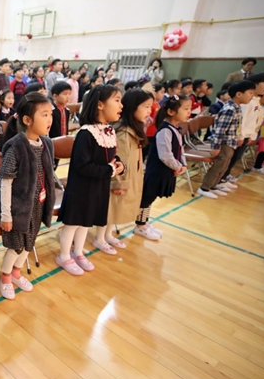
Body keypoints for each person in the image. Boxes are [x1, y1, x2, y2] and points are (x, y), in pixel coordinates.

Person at [0, 93, 55, 299]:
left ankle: (16, 273)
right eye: (44, 114)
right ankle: (6, 277)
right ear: (27, 120)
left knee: (29, 243)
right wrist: (6, 215)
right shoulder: (16, 146)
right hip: (16, 208)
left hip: (37, 204)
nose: (49, 119)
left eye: (50, 114)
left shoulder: (45, 143)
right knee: (15, 246)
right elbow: (6, 183)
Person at [56, 85, 125, 275]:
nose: (121, 105)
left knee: (86, 221)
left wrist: (118, 164)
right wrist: (109, 169)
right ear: (100, 105)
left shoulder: (108, 130)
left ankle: (77, 252)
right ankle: (63, 255)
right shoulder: (86, 133)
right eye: (117, 100)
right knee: (73, 223)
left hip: (98, 186)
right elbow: (82, 165)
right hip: (81, 188)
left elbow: (110, 156)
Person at [94, 89, 152, 251]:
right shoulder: (123, 131)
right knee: (111, 208)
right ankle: (99, 238)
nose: (149, 111)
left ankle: (108, 235)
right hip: (119, 178)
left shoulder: (134, 128)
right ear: (134, 107)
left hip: (131, 175)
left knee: (117, 208)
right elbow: (118, 159)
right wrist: (119, 183)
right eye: (146, 107)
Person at [134, 95, 190, 238]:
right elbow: (165, 155)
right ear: (171, 111)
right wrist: (177, 166)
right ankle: (140, 225)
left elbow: (180, 149)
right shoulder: (165, 130)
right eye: (186, 108)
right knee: (147, 197)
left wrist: (183, 165)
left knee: (151, 198)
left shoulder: (176, 128)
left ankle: (144, 222)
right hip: (157, 172)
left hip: (167, 171)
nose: (189, 112)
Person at [197, 81, 255, 198]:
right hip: (224, 144)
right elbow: (220, 130)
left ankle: (214, 185)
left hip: (231, 143)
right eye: (250, 93)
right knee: (218, 165)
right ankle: (205, 187)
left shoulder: (237, 107)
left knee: (224, 166)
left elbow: (236, 126)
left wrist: (239, 137)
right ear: (239, 94)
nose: (252, 96)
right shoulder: (229, 109)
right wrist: (216, 146)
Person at [221, 73, 264, 183]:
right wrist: (241, 135)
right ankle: (221, 178)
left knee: (236, 158)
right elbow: (242, 121)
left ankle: (225, 176)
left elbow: (255, 122)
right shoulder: (248, 102)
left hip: (246, 135)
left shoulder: (256, 101)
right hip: (239, 136)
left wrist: (251, 135)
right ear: (255, 84)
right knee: (230, 158)